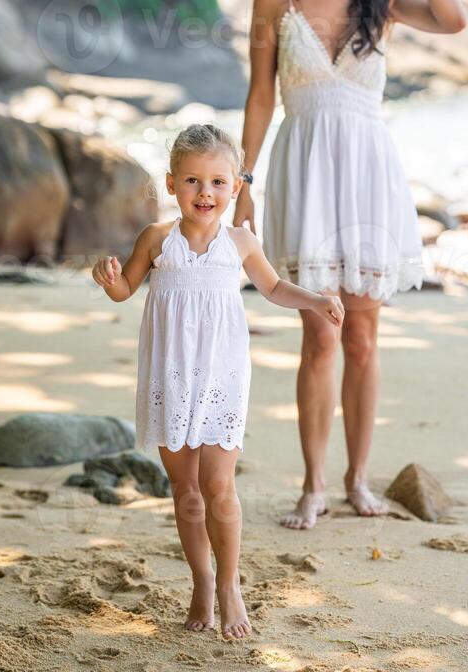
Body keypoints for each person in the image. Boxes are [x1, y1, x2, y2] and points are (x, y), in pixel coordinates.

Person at [234, 0, 467, 530]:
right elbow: (259, 96)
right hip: (303, 169)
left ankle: (358, 479)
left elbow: (454, 19)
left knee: (363, 336)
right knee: (320, 333)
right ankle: (313, 486)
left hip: (368, 174)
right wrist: (244, 182)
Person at [91, 123, 344, 639]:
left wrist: (317, 301)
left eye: (217, 182)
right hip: (170, 375)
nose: (204, 193)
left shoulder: (241, 242)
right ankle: (202, 580)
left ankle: (230, 584)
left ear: (235, 187)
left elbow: (273, 287)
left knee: (219, 487)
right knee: (185, 489)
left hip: (223, 376)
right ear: (170, 184)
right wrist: (109, 278)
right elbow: (125, 290)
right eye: (191, 181)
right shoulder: (156, 240)